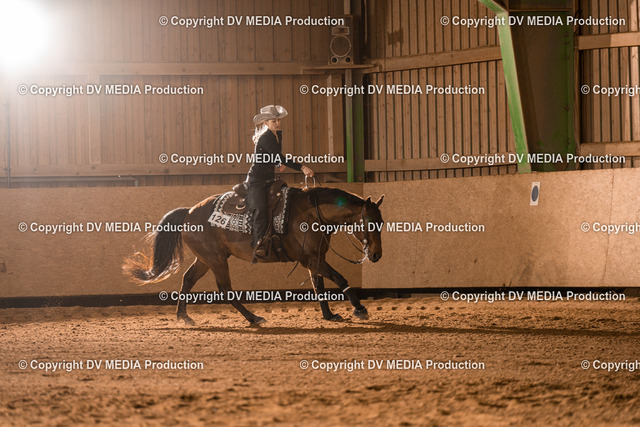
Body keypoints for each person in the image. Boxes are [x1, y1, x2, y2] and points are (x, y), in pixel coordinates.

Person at [246, 105, 314, 259]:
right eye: (273, 121)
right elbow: (278, 156)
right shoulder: (266, 138)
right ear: (266, 123)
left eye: (278, 120)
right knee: (260, 209)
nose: (277, 123)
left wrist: (277, 163)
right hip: (256, 180)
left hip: (269, 179)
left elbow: (274, 155)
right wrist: (302, 167)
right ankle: (259, 244)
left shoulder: (277, 135)